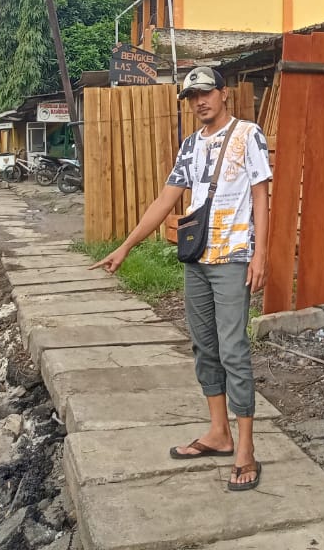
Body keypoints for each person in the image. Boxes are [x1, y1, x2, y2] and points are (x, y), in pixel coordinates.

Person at [90, 66, 271, 492]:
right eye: (192, 97)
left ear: (224, 94)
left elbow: (262, 195)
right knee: (204, 346)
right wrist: (127, 245)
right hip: (195, 259)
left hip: (233, 258)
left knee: (234, 350)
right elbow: (165, 199)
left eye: (206, 93)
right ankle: (218, 432)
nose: (199, 102)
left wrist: (260, 254)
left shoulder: (248, 135)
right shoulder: (190, 145)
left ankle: (245, 448)